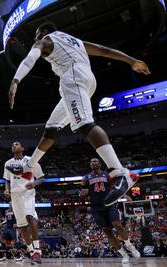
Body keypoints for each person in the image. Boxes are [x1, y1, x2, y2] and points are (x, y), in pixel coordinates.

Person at [8, 22, 150, 206]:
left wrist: (15, 81)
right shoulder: (75, 41)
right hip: (88, 80)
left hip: (72, 78)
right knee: (51, 128)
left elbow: (30, 58)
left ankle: (120, 172)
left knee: (85, 124)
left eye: (37, 34)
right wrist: (131, 60)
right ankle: (29, 167)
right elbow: (103, 50)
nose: (36, 38)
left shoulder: (46, 40)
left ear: (44, 32)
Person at [81, 158, 140, 263]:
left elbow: (114, 187)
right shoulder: (85, 178)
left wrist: (124, 194)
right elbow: (82, 191)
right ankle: (124, 254)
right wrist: (82, 192)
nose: (93, 163)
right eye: (91, 162)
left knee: (118, 225)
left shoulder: (107, 175)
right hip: (96, 208)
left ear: (99, 164)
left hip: (109, 203)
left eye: (95, 161)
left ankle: (129, 246)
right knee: (108, 232)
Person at [3, 141, 44, 264]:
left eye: (17, 144)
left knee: (30, 217)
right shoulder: (8, 163)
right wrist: (6, 189)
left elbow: (41, 177)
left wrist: (34, 183)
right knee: (22, 226)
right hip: (15, 196)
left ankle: (37, 250)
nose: (14, 145)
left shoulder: (30, 160)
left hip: (27, 193)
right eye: (12, 144)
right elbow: (7, 179)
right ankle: (31, 252)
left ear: (23, 148)